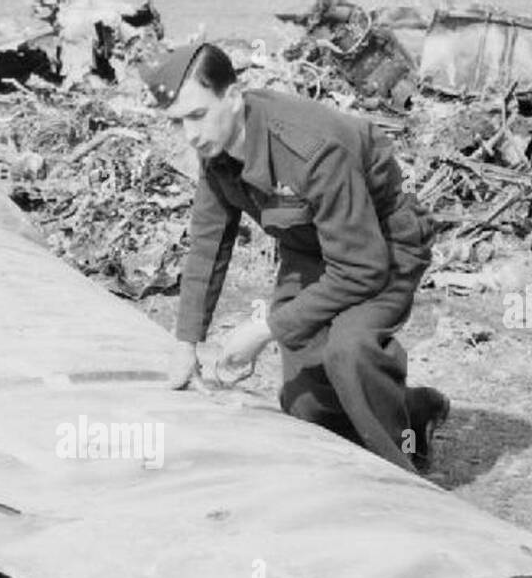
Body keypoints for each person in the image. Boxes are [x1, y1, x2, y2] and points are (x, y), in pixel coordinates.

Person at [142, 43, 449, 472]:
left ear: (233, 98)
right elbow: (208, 244)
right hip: (312, 250)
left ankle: (403, 478)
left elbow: (362, 268)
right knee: (307, 407)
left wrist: (265, 328)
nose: (190, 135)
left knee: (351, 350)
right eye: (178, 122)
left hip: (381, 245)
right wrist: (185, 344)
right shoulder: (217, 148)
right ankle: (412, 412)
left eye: (197, 115)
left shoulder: (311, 148)